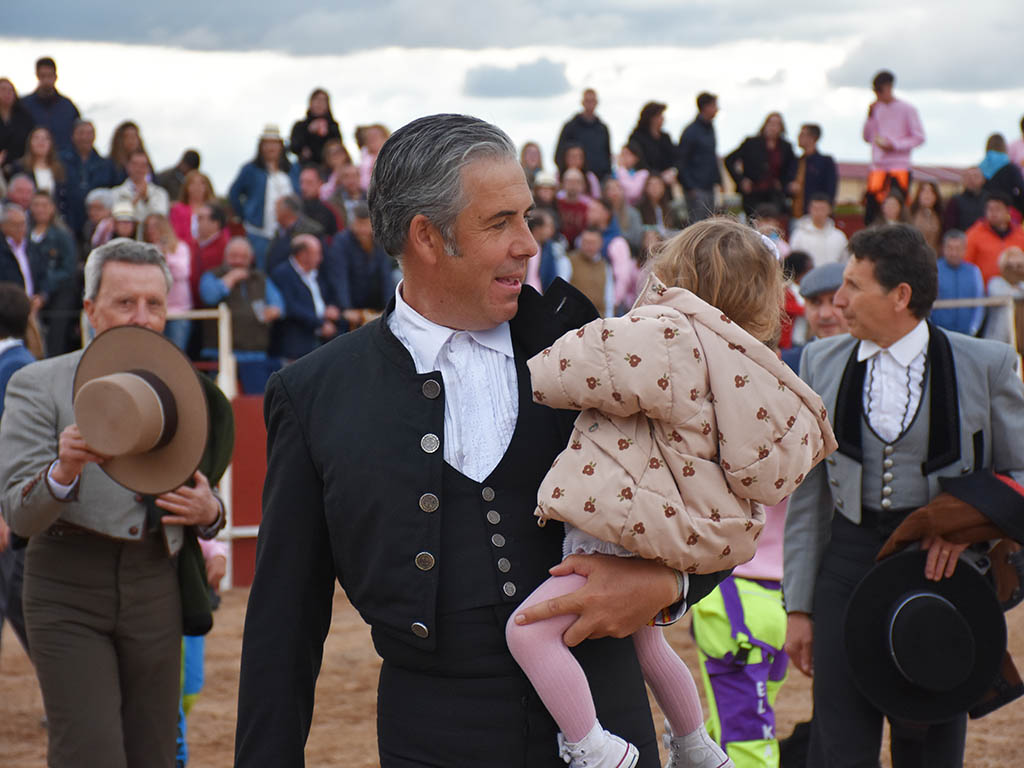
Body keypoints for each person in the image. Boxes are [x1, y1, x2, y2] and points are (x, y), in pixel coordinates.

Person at [235, 113, 734, 767]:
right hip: (433, 740)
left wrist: (668, 585)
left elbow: (717, 506)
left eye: (527, 218)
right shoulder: (315, 394)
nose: (529, 244)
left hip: (608, 736)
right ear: (427, 237)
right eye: (500, 223)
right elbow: (284, 622)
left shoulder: (596, 349)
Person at [514, 217, 835, 768]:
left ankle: (590, 744)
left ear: (675, 273)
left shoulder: (666, 331)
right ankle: (694, 743)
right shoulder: (756, 367)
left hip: (620, 519)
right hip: (674, 533)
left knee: (531, 634)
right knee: (649, 644)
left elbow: (561, 371)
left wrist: (530, 369)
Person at [782, 223, 1024, 768]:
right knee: (840, 747)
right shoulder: (822, 362)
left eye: (852, 286)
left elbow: (1021, 470)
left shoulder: (985, 364)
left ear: (900, 296)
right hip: (844, 569)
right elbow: (811, 494)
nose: (837, 301)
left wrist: (970, 530)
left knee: (930, 750)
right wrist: (798, 606)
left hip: (938, 575)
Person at [0, 238, 226, 768]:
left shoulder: (190, 390)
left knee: (153, 752)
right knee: (89, 753)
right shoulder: (39, 385)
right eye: (125, 302)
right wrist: (64, 470)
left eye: (154, 304)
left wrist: (210, 512)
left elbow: (209, 499)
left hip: (155, 584)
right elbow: (19, 515)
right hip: (66, 584)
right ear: (90, 309)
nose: (142, 318)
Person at [198, 236, 284, 394]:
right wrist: (230, 279)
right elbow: (208, 296)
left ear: (250, 259)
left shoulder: (260, 278)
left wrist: (273, 310)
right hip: (219, 355)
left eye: (243, 257)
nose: (238, 261)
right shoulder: (212, 275)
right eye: (233, 256)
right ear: (225, 257)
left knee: (257, 405)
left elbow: (279, 304)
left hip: (255, 355)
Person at [0, 283, 35, 659]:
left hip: (9, 507)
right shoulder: (16, 363)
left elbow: (17, 448)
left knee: (16, 598)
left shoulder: (15, 368)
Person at [861, 70, 925, 226]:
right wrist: (869, 117)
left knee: (898, 208)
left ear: (889, 88)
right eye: (875, 91)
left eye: (880, 90)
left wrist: (894, 145)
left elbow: (919, 137)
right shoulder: (876, 109)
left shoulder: (907, 109)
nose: (878, 95)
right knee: (873, 211)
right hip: (878, 168)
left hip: (899, 167)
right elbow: (867, 137)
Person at [228, 125, 295, 269]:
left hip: (287, 233)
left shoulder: (291, 170)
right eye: (267, 143)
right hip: (259, 232)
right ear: (261, 146)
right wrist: (246, 215)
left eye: (275, 144)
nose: (271, 148)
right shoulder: (250, 169)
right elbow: (234, 194)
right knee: (261, 271)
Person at [268, 233, 341, 360]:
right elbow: (291, 307)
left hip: (321, 339)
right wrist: (319, 323)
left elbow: (327, 296)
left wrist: (331, 308)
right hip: (296, 344)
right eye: (317, 254)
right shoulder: (283, 274)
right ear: (302, 254)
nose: (320, 258)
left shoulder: (317, 274)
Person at [322, 201, 393, 323]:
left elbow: (385, 275)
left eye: (366, 225)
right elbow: (340, 278)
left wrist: (390, 307)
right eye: (359, 224)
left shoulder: (378, 241)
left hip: (375, 303)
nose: (363, 230)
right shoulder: (341, 242)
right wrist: (346, 308)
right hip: (351, 303)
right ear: (352, 223)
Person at [28, 191, 77, 356]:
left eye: (44, 205)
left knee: (56, 336)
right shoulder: (26, 234)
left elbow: (68, 268)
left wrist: (44, 293)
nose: (40, 210)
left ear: (52, 208)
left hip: (57, 293)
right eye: (36, 205)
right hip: (30, 292)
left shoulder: (62, 235)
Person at [725, 112, 797, 218]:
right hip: (753, 193)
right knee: (754, 222)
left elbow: (792, 168)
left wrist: (784, 183)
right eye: (771, 123)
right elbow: (729, 160)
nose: (773, 127)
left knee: (774, 222)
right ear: (765, 125)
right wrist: (741, 180)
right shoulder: (751, 143)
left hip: (774, 194)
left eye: (777, 124)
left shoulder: (786, 147)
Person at [779, 260, 848, 371]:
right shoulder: (787, 364)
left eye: (835, 301)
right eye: (815, 302)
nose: (825, 314)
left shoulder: (872, 362)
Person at [143, 213, 193, 351]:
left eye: (155, 226)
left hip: (178, 311)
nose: (151, 230)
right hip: (151, 312)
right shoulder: (143, 251)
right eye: (147, 227)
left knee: (176, 355)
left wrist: (166, 256)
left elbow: (182, 273)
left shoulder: (180, 248)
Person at [60, 119, 114, 242]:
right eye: (81, 133)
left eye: (89, 133)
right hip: (69, 220)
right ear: (73, 135)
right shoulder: (61, 161)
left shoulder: (105, 164)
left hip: (95, 225)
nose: (85, 137)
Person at [676, 92, 721, 223]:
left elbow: (712, 157)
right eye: (714, 105)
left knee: (710, 224)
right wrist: (690, 187)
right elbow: (681, 161)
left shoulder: (710, 128)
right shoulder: (690, 131)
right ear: (705, 107)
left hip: (709, 186)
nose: (717, 109)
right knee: (697, 227)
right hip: (696, 189)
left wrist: (718, 180)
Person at [19, 57, 80, 153]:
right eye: (43, 76)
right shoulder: (24, 106)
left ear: (55, 76)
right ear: (37, 76)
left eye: (49, 75)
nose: (46, 80)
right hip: (31, 163)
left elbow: (78, 136)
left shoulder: (68, 107)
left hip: (63, 162)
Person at [931, 230, 984, 338]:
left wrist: (973, 329)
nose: (953, 253)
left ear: (964, 250)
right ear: (943, 249)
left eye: (958, 249)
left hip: (967, 334)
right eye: (950, 248)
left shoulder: (974, 271)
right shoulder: (934, 270)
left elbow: (980, 302)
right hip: (940, 334)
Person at [964, 191, 1024, 287]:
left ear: (1008, 211)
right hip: (986, 291)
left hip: (1018, 288)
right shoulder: (974, 234)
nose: (993, 213)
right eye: (990, 209)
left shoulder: (1020, 234)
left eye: (998, 209)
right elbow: (966, 265)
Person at [555, 89, 612, 182]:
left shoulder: (603, 129)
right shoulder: (570, 127)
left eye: (592, 101)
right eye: (587, 101)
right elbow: (559, 154)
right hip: (573, 181)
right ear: (582, 102)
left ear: (597, 103)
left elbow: (607, 155)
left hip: (600, 179)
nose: (590, 104)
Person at [8, 126, 67, 215]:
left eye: (45, 139)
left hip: (54, 217)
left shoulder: (60, 169)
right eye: (36, 138)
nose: (41, 142)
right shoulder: (19, 167)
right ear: (30, 142)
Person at [0, 203, 48, 306]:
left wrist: (41, 296)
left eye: (23, 224)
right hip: (7, 308)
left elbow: (44, 275)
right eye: (15, 225)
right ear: (3, 226)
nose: (20, 228)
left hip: (33, 306)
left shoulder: (33, 248)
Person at [264, 194, 325, 274]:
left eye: (276, 210)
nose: (275, 214)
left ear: (286, 212)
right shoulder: (280, 230)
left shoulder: (313, 231)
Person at [114, 150, 170, 231]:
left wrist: (146, 199)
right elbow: (120, 218)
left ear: (148, 168)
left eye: (143, 165)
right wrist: (136, 199)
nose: (139, 168)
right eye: (135, 164)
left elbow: (160, 219)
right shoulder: (116, 193)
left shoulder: (160, 193)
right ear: (127, 166)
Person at [789, 123, 837, 218]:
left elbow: (831, 189)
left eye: (802, 134)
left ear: (813, 138)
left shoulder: (825, 162)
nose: (798, 137)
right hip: (795, 213)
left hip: (816, 215)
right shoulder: (796, 162)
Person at [980, 246, 1024, 347]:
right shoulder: (995, 282)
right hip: (998, 338)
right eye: (1010, 265)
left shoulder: (1022, 284)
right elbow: (1003, 295)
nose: (1014, 269)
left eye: (1019, 265)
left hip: (1019, 337)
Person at [789, 193, 848, 267]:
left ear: (830, 210)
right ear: (809, 209)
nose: (819, 213)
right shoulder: (799, 235)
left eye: (823, 209)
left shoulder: (839, 236)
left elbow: (844, 262)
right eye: (815, 209)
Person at [289, 88, 342, 168]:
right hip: (306, 168)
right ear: (310, 103)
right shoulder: (300, 126)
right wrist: (309, 131)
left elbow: (338, 148)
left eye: (323, 101)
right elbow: (294, 147)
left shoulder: (333, 126)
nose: (320, 104)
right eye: (317, 100)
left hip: (328, 169)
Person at [189, 202, 230, 304]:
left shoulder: (226, 248)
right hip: (192, 306)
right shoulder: (193, 245)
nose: (196, 222)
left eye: (200, 218)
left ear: (215, 223)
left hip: (214, 309)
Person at [629, 102, 677, 181]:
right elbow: (638, 161)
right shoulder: (637, 137)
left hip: (666, 181)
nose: (662, 118)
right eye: (659, 115)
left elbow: (675, 157)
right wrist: (656, 176)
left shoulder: (665, 137)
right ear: (651, 118)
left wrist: (672, 171)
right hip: (644, 181)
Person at [526, 208, 570, 293]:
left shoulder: (548, 248)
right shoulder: (522, 247)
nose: (552, 230)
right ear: (537, 229)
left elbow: (551, 278)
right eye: (549, 226)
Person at [169, 170, 216, 249]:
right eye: (193, 184)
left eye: (202, 183)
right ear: (186, 187)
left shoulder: (215, 209)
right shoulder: (177, 209)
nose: (197, 187)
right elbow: (175, 235)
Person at [979, 133, 1024, 217]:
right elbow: (1021, 189)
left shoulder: (980, 168)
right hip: (1009, 212)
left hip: (986, 212)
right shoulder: (1011, 168)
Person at [0, 78, 36, 181]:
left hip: (21, 169)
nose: (7, 94)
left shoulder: (25, 117)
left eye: (10, 90)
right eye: (3, 90)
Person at [297, 165, 339, 237]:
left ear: (320, 183)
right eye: (301, 182)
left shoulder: (329, 209)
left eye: (309, 183)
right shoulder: (295, 207)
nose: (303, 187)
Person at [107, 121, 151, 187]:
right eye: (127, 137)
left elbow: (152, 181)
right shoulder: (111, 165)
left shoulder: (145, 161)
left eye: (134, 136)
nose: (132, 140)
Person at [943, 167, 986, 232]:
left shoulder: (990, 200)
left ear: (983, 179)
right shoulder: (955, 201)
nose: (972, 180)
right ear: (963, 180)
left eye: (975, 176)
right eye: (968, 177)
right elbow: (949, 228)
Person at [557, 168, 591, 246]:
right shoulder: (556, 204)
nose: (573, 185)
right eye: (569, 181)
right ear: (563, 184)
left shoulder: (588, 207)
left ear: (583, 185)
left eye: (577, 182)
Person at [909, 181, 944, 253]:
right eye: (924, 191)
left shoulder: (940, 216)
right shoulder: (911, 214)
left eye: (931, 192)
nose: (927, 195)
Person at [613, 141, 650, 208]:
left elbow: (633, 193)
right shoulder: (614, 173)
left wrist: (621, 168)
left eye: (627, 154)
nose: (623, 157)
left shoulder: (643, 173)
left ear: (636, 158)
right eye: (622, 154)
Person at [356, 123, 389, 191]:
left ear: (385, 137)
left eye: (375, 136)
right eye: (368, 137)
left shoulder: (393, 157)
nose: (371, 139)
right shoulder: (362, 162)